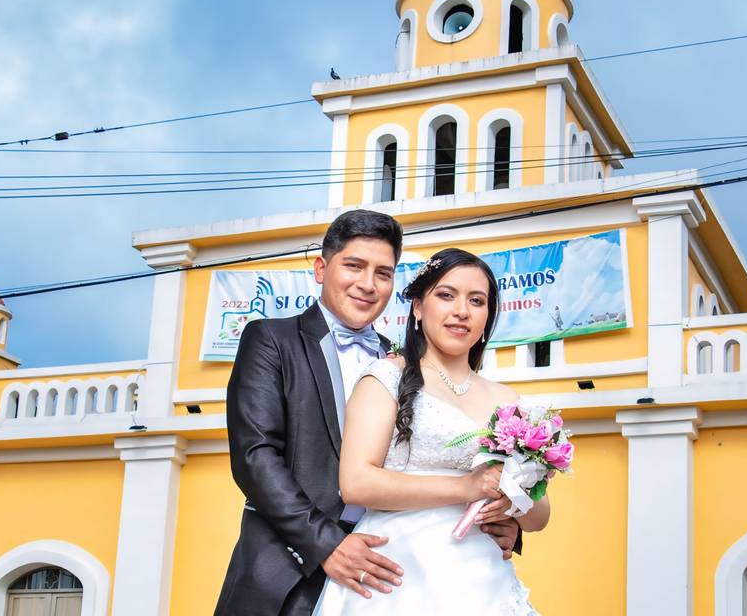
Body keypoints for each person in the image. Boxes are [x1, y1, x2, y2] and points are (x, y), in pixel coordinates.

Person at [215, 212, 521, 615]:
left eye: (383, 273)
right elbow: (255, 456)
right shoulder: (272, 339)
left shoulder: (403, 361)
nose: (367, 284)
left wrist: (504, 522)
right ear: (321, 269)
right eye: (354, 266)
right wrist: (327, 543)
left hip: (395, 566)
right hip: (290, 562)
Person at [313, 248, 550, 615]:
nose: (461, 311)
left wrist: (512, 502)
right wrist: (465, 488)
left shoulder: (507, 400)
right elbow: (356, 483)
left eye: (477, 300)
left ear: (487, 317)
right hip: (400, 572)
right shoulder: (385, 379)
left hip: (482, 576)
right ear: (419, 308)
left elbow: (539, 517)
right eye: (446, 295)